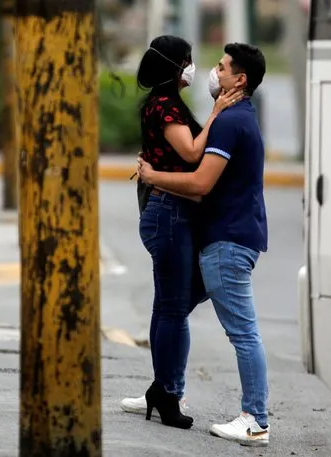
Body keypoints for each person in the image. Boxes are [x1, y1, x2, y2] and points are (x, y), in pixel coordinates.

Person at [136, 43, 271, 447]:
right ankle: (162, 389)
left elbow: (199, 183)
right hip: (224, 236)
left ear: (239, 79)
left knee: (240, 331)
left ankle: (255, 419)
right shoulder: (236, 117)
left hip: (227, 242)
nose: (212, 71)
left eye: (221, 66)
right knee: (172, 306)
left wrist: (153, 176)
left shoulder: (229, 121)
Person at [119, 35, 240, 429]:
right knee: (173, 308)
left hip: (171, 212)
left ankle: (163, 387)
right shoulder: (165, 104)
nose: (194, 67)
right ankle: (168, 393)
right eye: (187, 60)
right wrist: (218, 112)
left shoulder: (167, 102)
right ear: (174, 66)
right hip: (167, 213)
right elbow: (190, 153)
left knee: (171, 306)